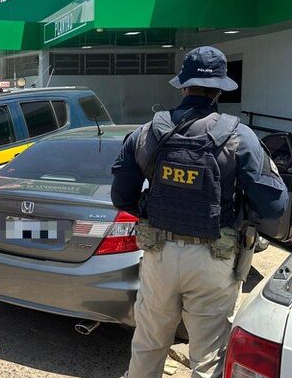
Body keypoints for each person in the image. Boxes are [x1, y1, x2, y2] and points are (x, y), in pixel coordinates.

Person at [111, 46, 288, 378]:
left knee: (148, 344)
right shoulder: (240, 137)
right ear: (220, 88)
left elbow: (121, 196)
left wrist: (160, 210)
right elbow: (275, 207)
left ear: (182, 86)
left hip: (158, 254)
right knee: (207, 357)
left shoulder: (148, 132)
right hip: (215, 258)